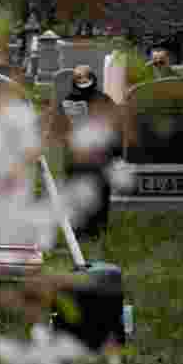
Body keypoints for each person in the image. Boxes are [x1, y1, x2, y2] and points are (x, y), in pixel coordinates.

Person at [58, 65, 120, 240]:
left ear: (93, 79)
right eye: (78, 78)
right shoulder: (68, 100)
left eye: (86, 78)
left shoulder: (104, 100)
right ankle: (78, 230)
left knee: (99, 190)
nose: (82, 82)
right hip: (77, 155)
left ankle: (97, 229)